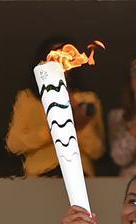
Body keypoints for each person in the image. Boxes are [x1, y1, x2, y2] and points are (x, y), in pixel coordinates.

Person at [6, 37, 105, 177]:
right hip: (41, 175)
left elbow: (97, 150)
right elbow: (14, 144)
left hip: (80, 174)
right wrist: (53, 131)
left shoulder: (88, 100)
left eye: (65, 54)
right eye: (54, 55)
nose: (59, 60)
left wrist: (77, 125)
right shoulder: (28, 98)